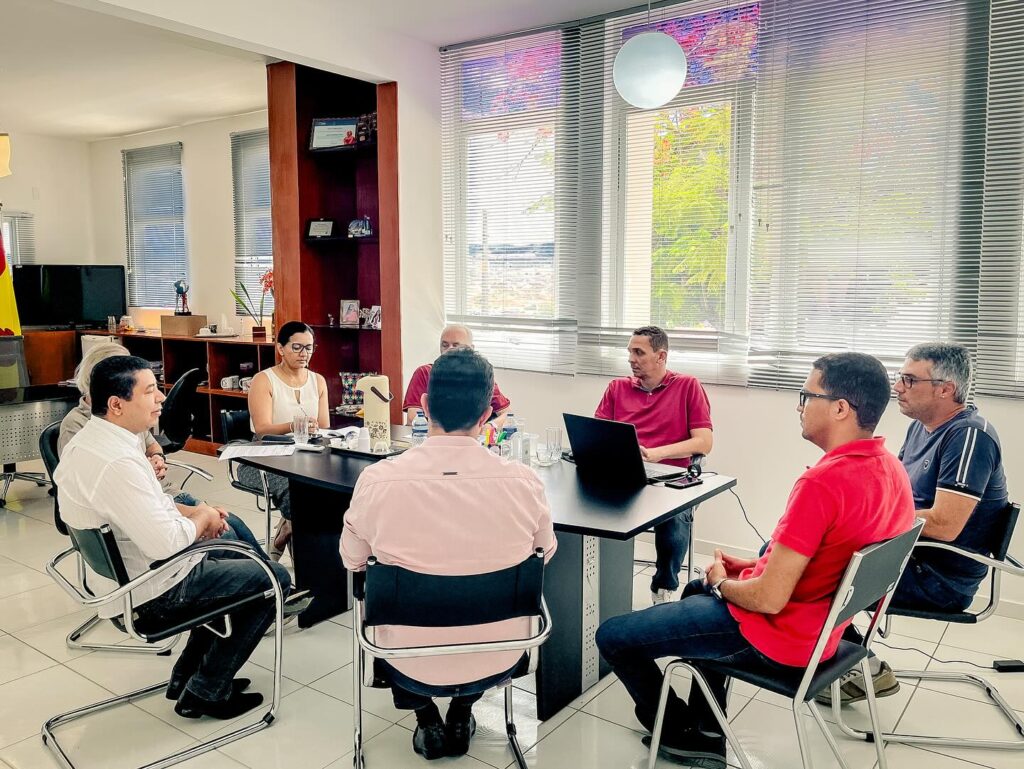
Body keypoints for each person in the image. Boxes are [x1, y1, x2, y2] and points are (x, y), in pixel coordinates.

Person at [596, 353, 915, 767]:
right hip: (825, 629)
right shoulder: (891, 469)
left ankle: (679, 732)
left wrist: (722, 582)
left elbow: (767, 599)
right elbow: (819, 561)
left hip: (781, 636)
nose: (800, 407)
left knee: (613, 636)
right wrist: (748, 568)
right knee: (693, 588)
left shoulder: (822, 483)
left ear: (840, 408)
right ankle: (709, 723)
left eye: (807, 396)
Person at [342, 348, 557, 760]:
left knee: (385, 604)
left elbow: (352, 560)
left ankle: (426, 718)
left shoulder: (377, 481)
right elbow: (543, 555)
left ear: (424, 406)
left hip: (404, 658)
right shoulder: (524, 482)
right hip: (501, 651)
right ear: (486, 416)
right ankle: (462, 711)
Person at [55, 356, 296, 720]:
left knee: (237, 556)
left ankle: (187, 676)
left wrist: (198, 514)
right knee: (273, 579)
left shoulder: (93, 442)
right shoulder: (118, 462)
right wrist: (200, 518)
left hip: (129, 578)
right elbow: (166, 544)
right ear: (117, 404)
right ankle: (207, 691)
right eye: (150, 391)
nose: (162, 398)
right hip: (152, 594)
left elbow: (146, 506)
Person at [823, 343, 1009, 706]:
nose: (898, 387)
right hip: (908, 556)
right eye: (900, 377)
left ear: (945, 389)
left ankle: (857, 667)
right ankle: (842, 661)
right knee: (798, 550)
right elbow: (894, 493)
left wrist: (864, 517)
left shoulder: (970, 436)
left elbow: (944, 525)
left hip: (939, 578)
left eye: (909, 380)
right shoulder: (921, 429)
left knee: (810, 568)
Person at [59, 342, 263, 559]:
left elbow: (151, 445)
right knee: (227, 533)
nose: (160, 398)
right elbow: (102, 487)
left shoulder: (130, 418)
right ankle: (266, 575)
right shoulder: (83, 430)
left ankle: (269, 571)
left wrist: (156, 457)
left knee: (232, 522)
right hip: (137, 508)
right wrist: (201, 517)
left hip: (158, 495)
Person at [594, 326, 713, 604]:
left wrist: (656, 454)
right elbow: (599, 434)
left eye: (639, 352)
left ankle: (663, 587)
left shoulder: (688, 386)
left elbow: (704, 442)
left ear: (661, 356)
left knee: (673, 519)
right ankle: (598, 582)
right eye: (630, 352)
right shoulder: (617, 388)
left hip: (670, 479)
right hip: (624, 476)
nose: (631, 359)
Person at [241, 321, 330, 558]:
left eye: (309, 348)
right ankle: (304, 560)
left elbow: (324, 426)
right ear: (281, 348)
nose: (304, 354)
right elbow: (262, 430)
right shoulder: (264, 380)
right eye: (297, 347)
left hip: (305, 455)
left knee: (332, 489)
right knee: (296, 492)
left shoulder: (318, 381)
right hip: (264, 457)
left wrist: (311, 431)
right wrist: (294, 426)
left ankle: (290, 531)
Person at [402, 324, 511, 429]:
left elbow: (507, 414)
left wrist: (489, 426)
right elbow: (413, 417)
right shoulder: (425, 372)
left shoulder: (480, 376)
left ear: (471, 349)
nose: (450, 350)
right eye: (445, 345)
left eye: (456, 345)